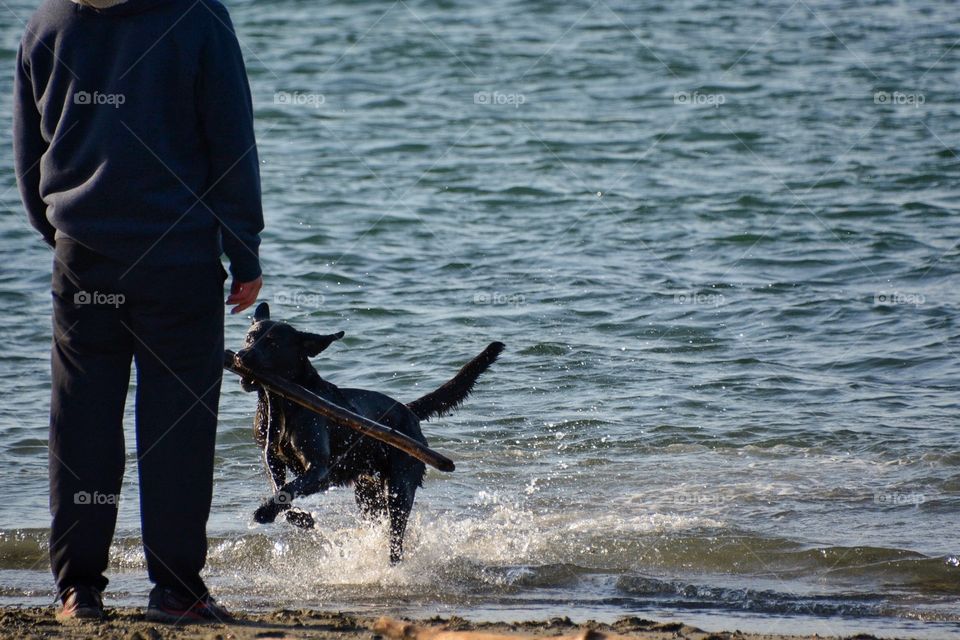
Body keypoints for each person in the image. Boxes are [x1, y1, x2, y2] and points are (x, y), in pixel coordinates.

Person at [13, 0, 264, 623]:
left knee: (81, 419)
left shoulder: (49, 21)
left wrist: (60, 233)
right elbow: (230, 138)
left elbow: (27, 151)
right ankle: (176, 590)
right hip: (177, 255)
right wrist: (244, 248)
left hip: (82, 254)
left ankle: (79, 591)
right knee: (176, 426)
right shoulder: (199, 16)